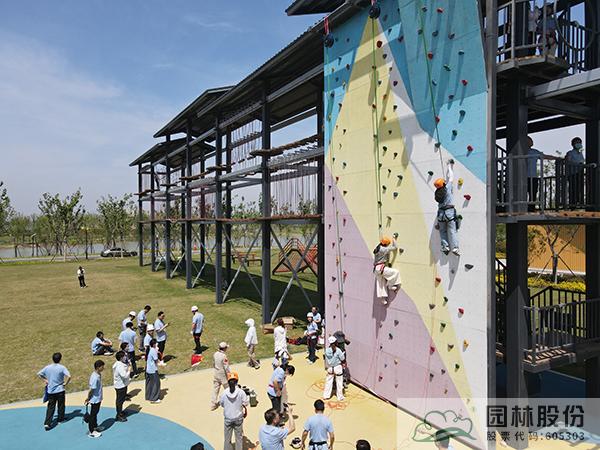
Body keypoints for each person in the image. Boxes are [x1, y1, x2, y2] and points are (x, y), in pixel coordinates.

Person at [38, 352, 71, 430]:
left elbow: (39, 374)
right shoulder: (62, 367)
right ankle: (60, 419)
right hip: (60, 390)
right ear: (60, 359)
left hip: (51, 391)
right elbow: (69, 376)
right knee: (61, 405)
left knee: (51, 407)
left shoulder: (47, 367)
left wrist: (46, 380)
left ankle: (47, 423)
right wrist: (65, 383)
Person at [434, 159, 460, 256]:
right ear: (443, 184)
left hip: (441, 214)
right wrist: (449, 166)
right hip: (449, 212)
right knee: (452, 231)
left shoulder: (437, 193)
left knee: (442, 231)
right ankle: (455, 248)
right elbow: (451, 177)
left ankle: (445, 247)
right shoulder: (447, 188)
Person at [219, 371, 249, 450]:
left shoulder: (224, 393)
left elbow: (221, 404)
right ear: (237, 381)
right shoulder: (241, 392)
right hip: (238, 418)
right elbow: (246, 403)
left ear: (228, 382)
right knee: (238, 438)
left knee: (227, 439)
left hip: (228, 419)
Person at [372, 233, 401, 304]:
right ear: (386, 244)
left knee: (381, 284)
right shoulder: (384, 249)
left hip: (376, 269)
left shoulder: (377, 248)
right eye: (388, 244)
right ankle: (390, 285)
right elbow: (395, 247)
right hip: (381, 268)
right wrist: (393, 238)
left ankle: (383, 300)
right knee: (396, 272)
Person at [84, 360, 105, 438]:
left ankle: (95, 426)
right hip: (94, 399)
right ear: (98, 367)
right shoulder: (95, 377)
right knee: (93, 415)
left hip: (98, 398)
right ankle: (91, 431)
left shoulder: (98, 374)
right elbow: (91, 390)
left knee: (95, 413)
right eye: (102, 366)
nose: (103, 368)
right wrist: (88, 398)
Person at [565, 137, 586, 207]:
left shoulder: (580, 153)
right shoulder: (570, 153)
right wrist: (577, 164)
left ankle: (579, 203)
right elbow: (567, 162)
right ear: (573, 144)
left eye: (580, 142)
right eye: (577, 142)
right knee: (573, 189)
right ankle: (572, 205)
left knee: (580, 188)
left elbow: (582, 161)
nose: (578, 144)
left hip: (580, 172)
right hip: (573, 173)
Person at [323, 336, 345, 401]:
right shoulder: (338, 350)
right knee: (339, 383)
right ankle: (340, 397)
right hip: (337, 368)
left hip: (330, 368)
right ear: (335, 342)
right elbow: (343, 359)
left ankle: (326, 396)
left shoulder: (327, 350)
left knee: (328, 382)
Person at [211, 342, 231, 410]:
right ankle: (230, 402)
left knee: (215, 389)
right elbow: (226, 368)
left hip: (216, 373)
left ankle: (213, 404)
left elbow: (213, 364)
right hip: (223, 375)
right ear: (224, 348)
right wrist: (229, 375)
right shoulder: (224, 356)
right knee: (227, 389)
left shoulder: (215, 354)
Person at [112, 351, 130, 422]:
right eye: (124, 356)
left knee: (121, 400)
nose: (125, 357)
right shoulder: (119, 366)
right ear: (121, 357)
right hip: (120, 386)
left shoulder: (118, 364)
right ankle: (119, 415)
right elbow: (124, 375)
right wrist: (129, 370)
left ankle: (120, 412)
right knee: (120, 401)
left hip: (120, 385)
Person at [145, 338, 161, 403]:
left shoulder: (150, 350)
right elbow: (156, 360)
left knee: (149, 383)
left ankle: (148, 396)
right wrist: (161, 364)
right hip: (153, 370)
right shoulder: (153, 351)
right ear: (154, 344)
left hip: (148, 369)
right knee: (156, 383)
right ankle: (154, 398)